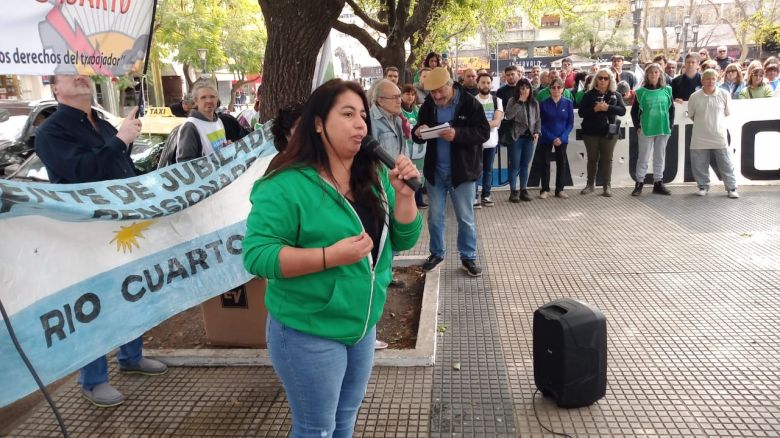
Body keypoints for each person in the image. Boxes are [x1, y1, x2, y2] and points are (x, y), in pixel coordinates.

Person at [242, 79, 422, 436]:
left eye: (363, 116)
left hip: (362, 326)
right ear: (319, 123)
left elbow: (402, 239)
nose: (360, 124)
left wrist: (403, 196)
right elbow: (257, 256)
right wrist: (330, 256)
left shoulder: (372, 177)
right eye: (348, 114)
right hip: (307, 331)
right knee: (316, 428)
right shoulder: (285, 184)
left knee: (345, 418)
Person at [35, 75, 168, 407]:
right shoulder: (51, 132)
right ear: (55, 88)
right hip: (86, 235)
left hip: (123, 229)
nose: (80, 75)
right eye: (69, 72)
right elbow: (84, 172)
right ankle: (93, 381)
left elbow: (122, 169)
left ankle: (131, 356)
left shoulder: (106, 126)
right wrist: (121, 139)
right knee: (93, 303)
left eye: (82, 69)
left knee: (133, 292)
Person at [411, 67, 490, 277]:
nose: (436, 96)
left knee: (465, 217)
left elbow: (483, 132)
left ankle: (468, 257)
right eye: (432, 93)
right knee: (434, 217)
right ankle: (436, 253)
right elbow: (418, 130)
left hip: (462, 171)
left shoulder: (470, 103)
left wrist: (458, 134)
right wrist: (418, 131)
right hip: (435, 171)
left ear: (451, 85)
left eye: (440, 91)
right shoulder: (429, 104)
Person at [687, 69, 739, 198]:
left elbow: (727, 113)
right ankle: (703, 186)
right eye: (707, 78)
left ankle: (731, 188)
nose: (710, 81)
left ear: (717, 80)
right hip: (700, 137)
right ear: (702, 80)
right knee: (699, 164)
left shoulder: (724, 94)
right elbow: (692, 115)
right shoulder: (694, 97)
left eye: (713, 79)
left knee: (726, 163)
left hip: (719, 136)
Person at [578, 69, 627, 197]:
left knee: (607, 159)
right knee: (592, 159)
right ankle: (590, 185)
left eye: (606, 78)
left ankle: (607, 186)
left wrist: (608, 108)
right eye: (600, 78)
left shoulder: (616, 94)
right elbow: (581, 113)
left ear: (610, 80)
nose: (603, 81)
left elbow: (622, 111)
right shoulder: (589, 95)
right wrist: (595, 109)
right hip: (591, 132)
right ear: (596, 79)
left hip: (609, 132)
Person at [630, 63, 675, 196]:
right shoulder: (641, 92)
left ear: (660, 74)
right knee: (643, 157)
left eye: (656, 72)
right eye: (651, 73)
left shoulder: (667, 90)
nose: (654, 75)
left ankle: (658, 183)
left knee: (659, 156)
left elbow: (672, 109)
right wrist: (637, 126)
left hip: (663, 127)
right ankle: (639, 183)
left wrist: (670, 125)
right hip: (646, 128)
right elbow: (634, 112)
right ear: (647, 75)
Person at [535, 78, 574, 199]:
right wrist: (552, 137)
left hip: (562, 138)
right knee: (545, 163)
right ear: (549, 89)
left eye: (559, 87)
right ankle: (545, 189)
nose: (556, 89)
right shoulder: (543, 103)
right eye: (553, 87)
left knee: (561, 163)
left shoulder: (568, 103)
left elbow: (570, 123)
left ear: (563, 89)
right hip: (546, 137)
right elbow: (540, 123)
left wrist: (562, 137)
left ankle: (560, 190)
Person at [503, 78, 540, 202]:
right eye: (522, 88)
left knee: (525, 165)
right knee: (514, 165)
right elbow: (508, 115)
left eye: (527, 88)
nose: (525, 90)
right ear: (518, 89)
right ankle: (513, 191)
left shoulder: (534, 103)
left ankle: (524, 189)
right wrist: (520, 102)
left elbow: (538, 119)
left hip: (529, 138)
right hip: (516, 137)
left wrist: (536, 132)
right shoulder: (512, 101)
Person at [176, 81, 228, 162]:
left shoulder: (218, 121)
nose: (209, 100)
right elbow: (185, 164)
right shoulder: (190, 126)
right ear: (196, 101)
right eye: (203, 97)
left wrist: (228, 149)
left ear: (217, 99)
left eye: (212, 96)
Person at [474, 73, 504, 207]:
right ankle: (474, 197)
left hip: (491, 142)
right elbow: (471, 123)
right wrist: (488, 123)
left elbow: (497, 122)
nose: (486, 85)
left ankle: (486, 195)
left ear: (491, 84)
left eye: (488, 82)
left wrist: (481, 124)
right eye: (483, 82)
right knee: (475, 170)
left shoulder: (497, 101)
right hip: (475, 143)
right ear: (478, 84)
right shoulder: (472, 101)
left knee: (488, 170)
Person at [400, 83, 428, 209]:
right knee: (407, 173)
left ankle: (419, 198)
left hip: (419, 149)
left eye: (412, 94)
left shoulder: (418, 110)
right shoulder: (399, 110)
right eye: (407, 94)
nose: (410, 97)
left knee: (419, 173)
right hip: (406, 148)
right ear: (401, 95)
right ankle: (410, 201)